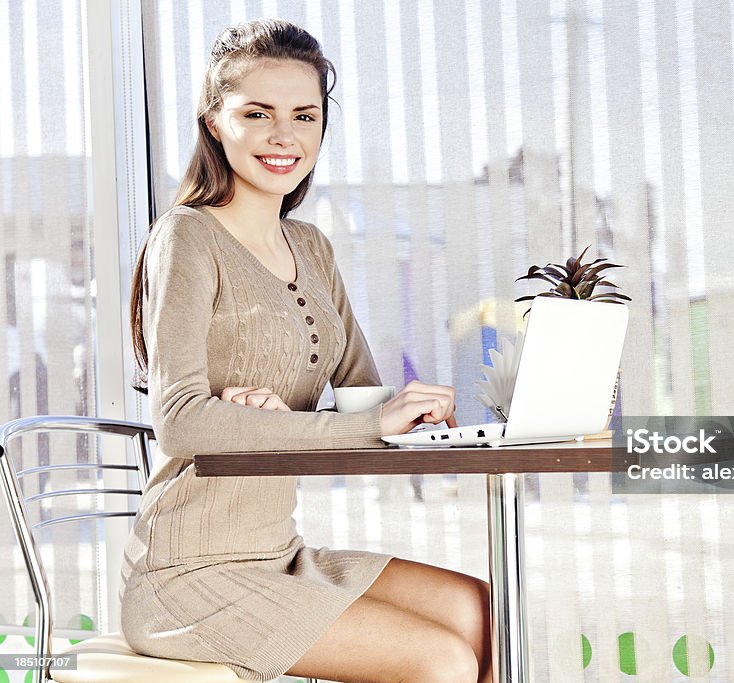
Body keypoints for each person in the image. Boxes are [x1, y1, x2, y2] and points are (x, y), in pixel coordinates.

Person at [119, 19, 492, 683]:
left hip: (278, 553)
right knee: (440, 659)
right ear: (213, 121)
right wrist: (363, 422)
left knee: (480, 611)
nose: (283, 136)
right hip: (188, 575)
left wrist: (420, 413)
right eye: (256, 113)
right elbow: (179, 420)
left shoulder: (312, 246)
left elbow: (363, 397)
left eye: (304, 115)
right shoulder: (188, 237)